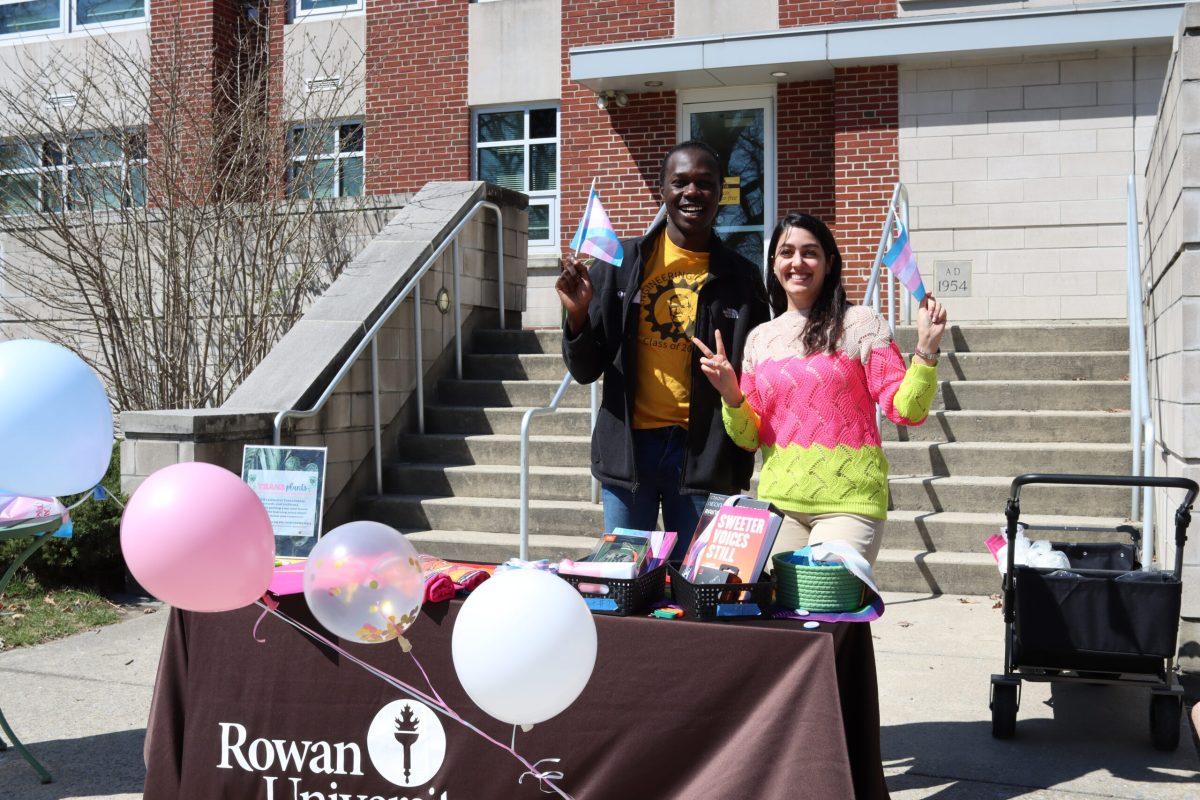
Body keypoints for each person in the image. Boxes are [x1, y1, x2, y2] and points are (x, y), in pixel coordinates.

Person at [694, 212, 947, 566]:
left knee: (826, 601)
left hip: (849, 502)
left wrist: (926, 350)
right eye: (787, 253)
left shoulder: (862, 324)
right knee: (785, 618)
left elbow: (907, 410)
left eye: (810, 252)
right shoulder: (759, 340)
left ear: (829, 263)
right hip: (780, 505)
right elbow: (748, 438)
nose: (798, 262)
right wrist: (730, 394)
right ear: (773, 264)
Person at [557, 141, 770, 559]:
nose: (693, 192)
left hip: (703, 458)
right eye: (681, 182)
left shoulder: (741, 277)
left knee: (694, 584)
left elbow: (757, 371)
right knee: (623, 578)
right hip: (629, 455)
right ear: (663, 191)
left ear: (721, 194)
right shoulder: (623, 264)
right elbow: (585, 370)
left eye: (705, 184)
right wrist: (579, 315)